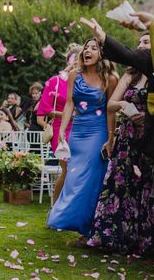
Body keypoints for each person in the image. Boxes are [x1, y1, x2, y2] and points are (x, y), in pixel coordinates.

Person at [81, 13, 154, 255]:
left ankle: (146, 240)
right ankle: (114, 236)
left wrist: (145, 113)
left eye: (146, 43)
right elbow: (111, 104)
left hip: (149, 136)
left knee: (147, 188)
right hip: (128, 135)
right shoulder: (131, 74)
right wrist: (126, 110)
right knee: (121, 186)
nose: (140, 48)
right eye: (139, 44)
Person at [47, 38, 118, 242]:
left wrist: (110, 138)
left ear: (101, 54)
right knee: (75, 178)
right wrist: (62, 130)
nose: (88, 51)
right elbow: (69, 103)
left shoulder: (110, 79)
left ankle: (89, 229)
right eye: (86, 48)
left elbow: (110, 111)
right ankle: (76, 222)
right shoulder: (74, 75)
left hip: (98, 132)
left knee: (91, 179)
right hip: (77, 132)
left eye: (93, 48)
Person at [36, 43, 82, 203]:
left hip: (82, 129)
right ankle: (55, 208)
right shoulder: (55, 81)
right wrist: (67, 114)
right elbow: (45, 109)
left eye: (80, 60)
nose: (77, 64)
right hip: (60, 128)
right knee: (67, 169)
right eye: (74, 60)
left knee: (79, 170)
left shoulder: (85, 81)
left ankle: (72, 206)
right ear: (68, 61)